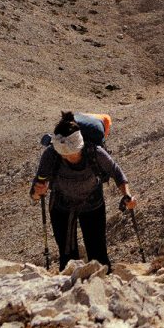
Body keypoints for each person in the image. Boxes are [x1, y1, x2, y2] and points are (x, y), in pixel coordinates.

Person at [29, 111, 136, 270]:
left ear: (80, 145)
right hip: (61, 207)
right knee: (67, 258)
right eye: (64, 155)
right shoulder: (51, 155)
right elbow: (35, 194)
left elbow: (116, 172)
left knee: (98, 255)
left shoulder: (94, 152)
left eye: (73, 153)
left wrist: (127, 194)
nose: (69, 157)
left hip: (92, 205)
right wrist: (38, 192)